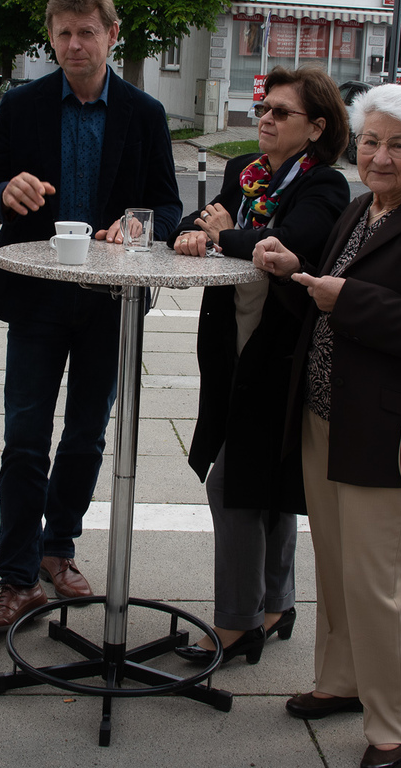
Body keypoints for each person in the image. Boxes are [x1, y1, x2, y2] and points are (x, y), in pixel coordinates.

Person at [254, 84, 401, 768]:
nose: (380, 157)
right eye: (370, 142)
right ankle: (342, 680)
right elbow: (331, 292)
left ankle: (396, 721)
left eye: (398, 145)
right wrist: (299, 271)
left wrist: (348, 299)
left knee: (378, 579)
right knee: (335, 563)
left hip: (388, 429)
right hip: (327, 415)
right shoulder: (360, 208)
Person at [0, 0, 182, 636]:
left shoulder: (144, 113)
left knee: (87, 434)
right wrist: (6, 193)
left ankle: (58, 548)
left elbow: (168, 206)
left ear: (112, 35)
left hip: (111, 304)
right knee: (25, 436)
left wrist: (138, 225)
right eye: (62, 33)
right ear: (51, 37)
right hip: (36, 296)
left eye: (86, 32)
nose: (74, 44)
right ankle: (17, 577)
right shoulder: (22, 105)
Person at [169, 65, 350, 666]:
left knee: (233, 482)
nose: (265, 119)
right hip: (233, 344)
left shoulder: (325, 186)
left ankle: (238, 623)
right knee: (262, 480)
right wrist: (207, 231)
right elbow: (192, 224)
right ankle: (276, 606)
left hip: (282, 353)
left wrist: (226, 235)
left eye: (280, 112)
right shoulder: (245, 172)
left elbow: (284, 247)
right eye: (263, 108)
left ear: (315, 127)